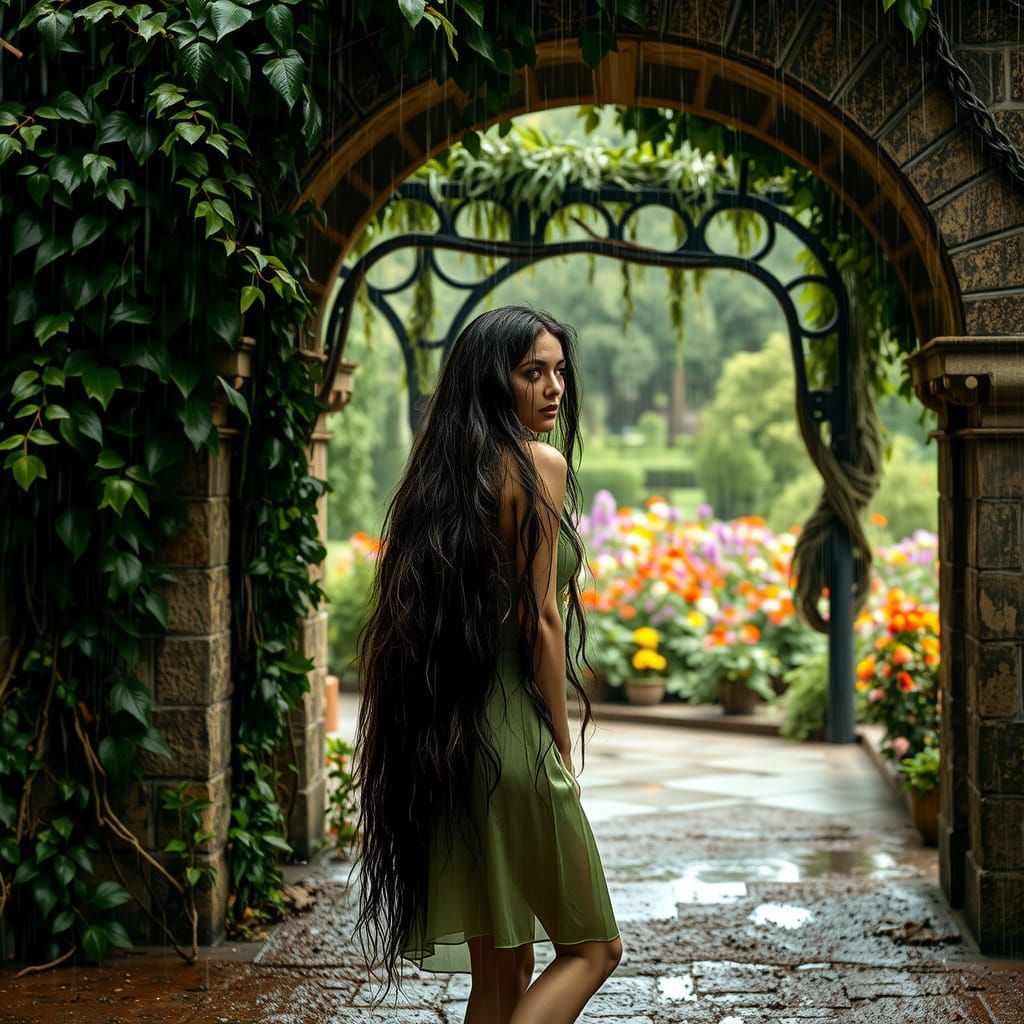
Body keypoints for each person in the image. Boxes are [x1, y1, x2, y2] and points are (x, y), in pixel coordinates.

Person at [350, 305, 623, 1023]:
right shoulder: (540, 466)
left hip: (452, 741)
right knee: (594, 950)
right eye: (533, 372)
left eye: (560, 371)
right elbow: (541, 618)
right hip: (512, 738)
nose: (554, 388)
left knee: (504, 972)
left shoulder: (443, 475)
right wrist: (558, 743)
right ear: (490, 380)